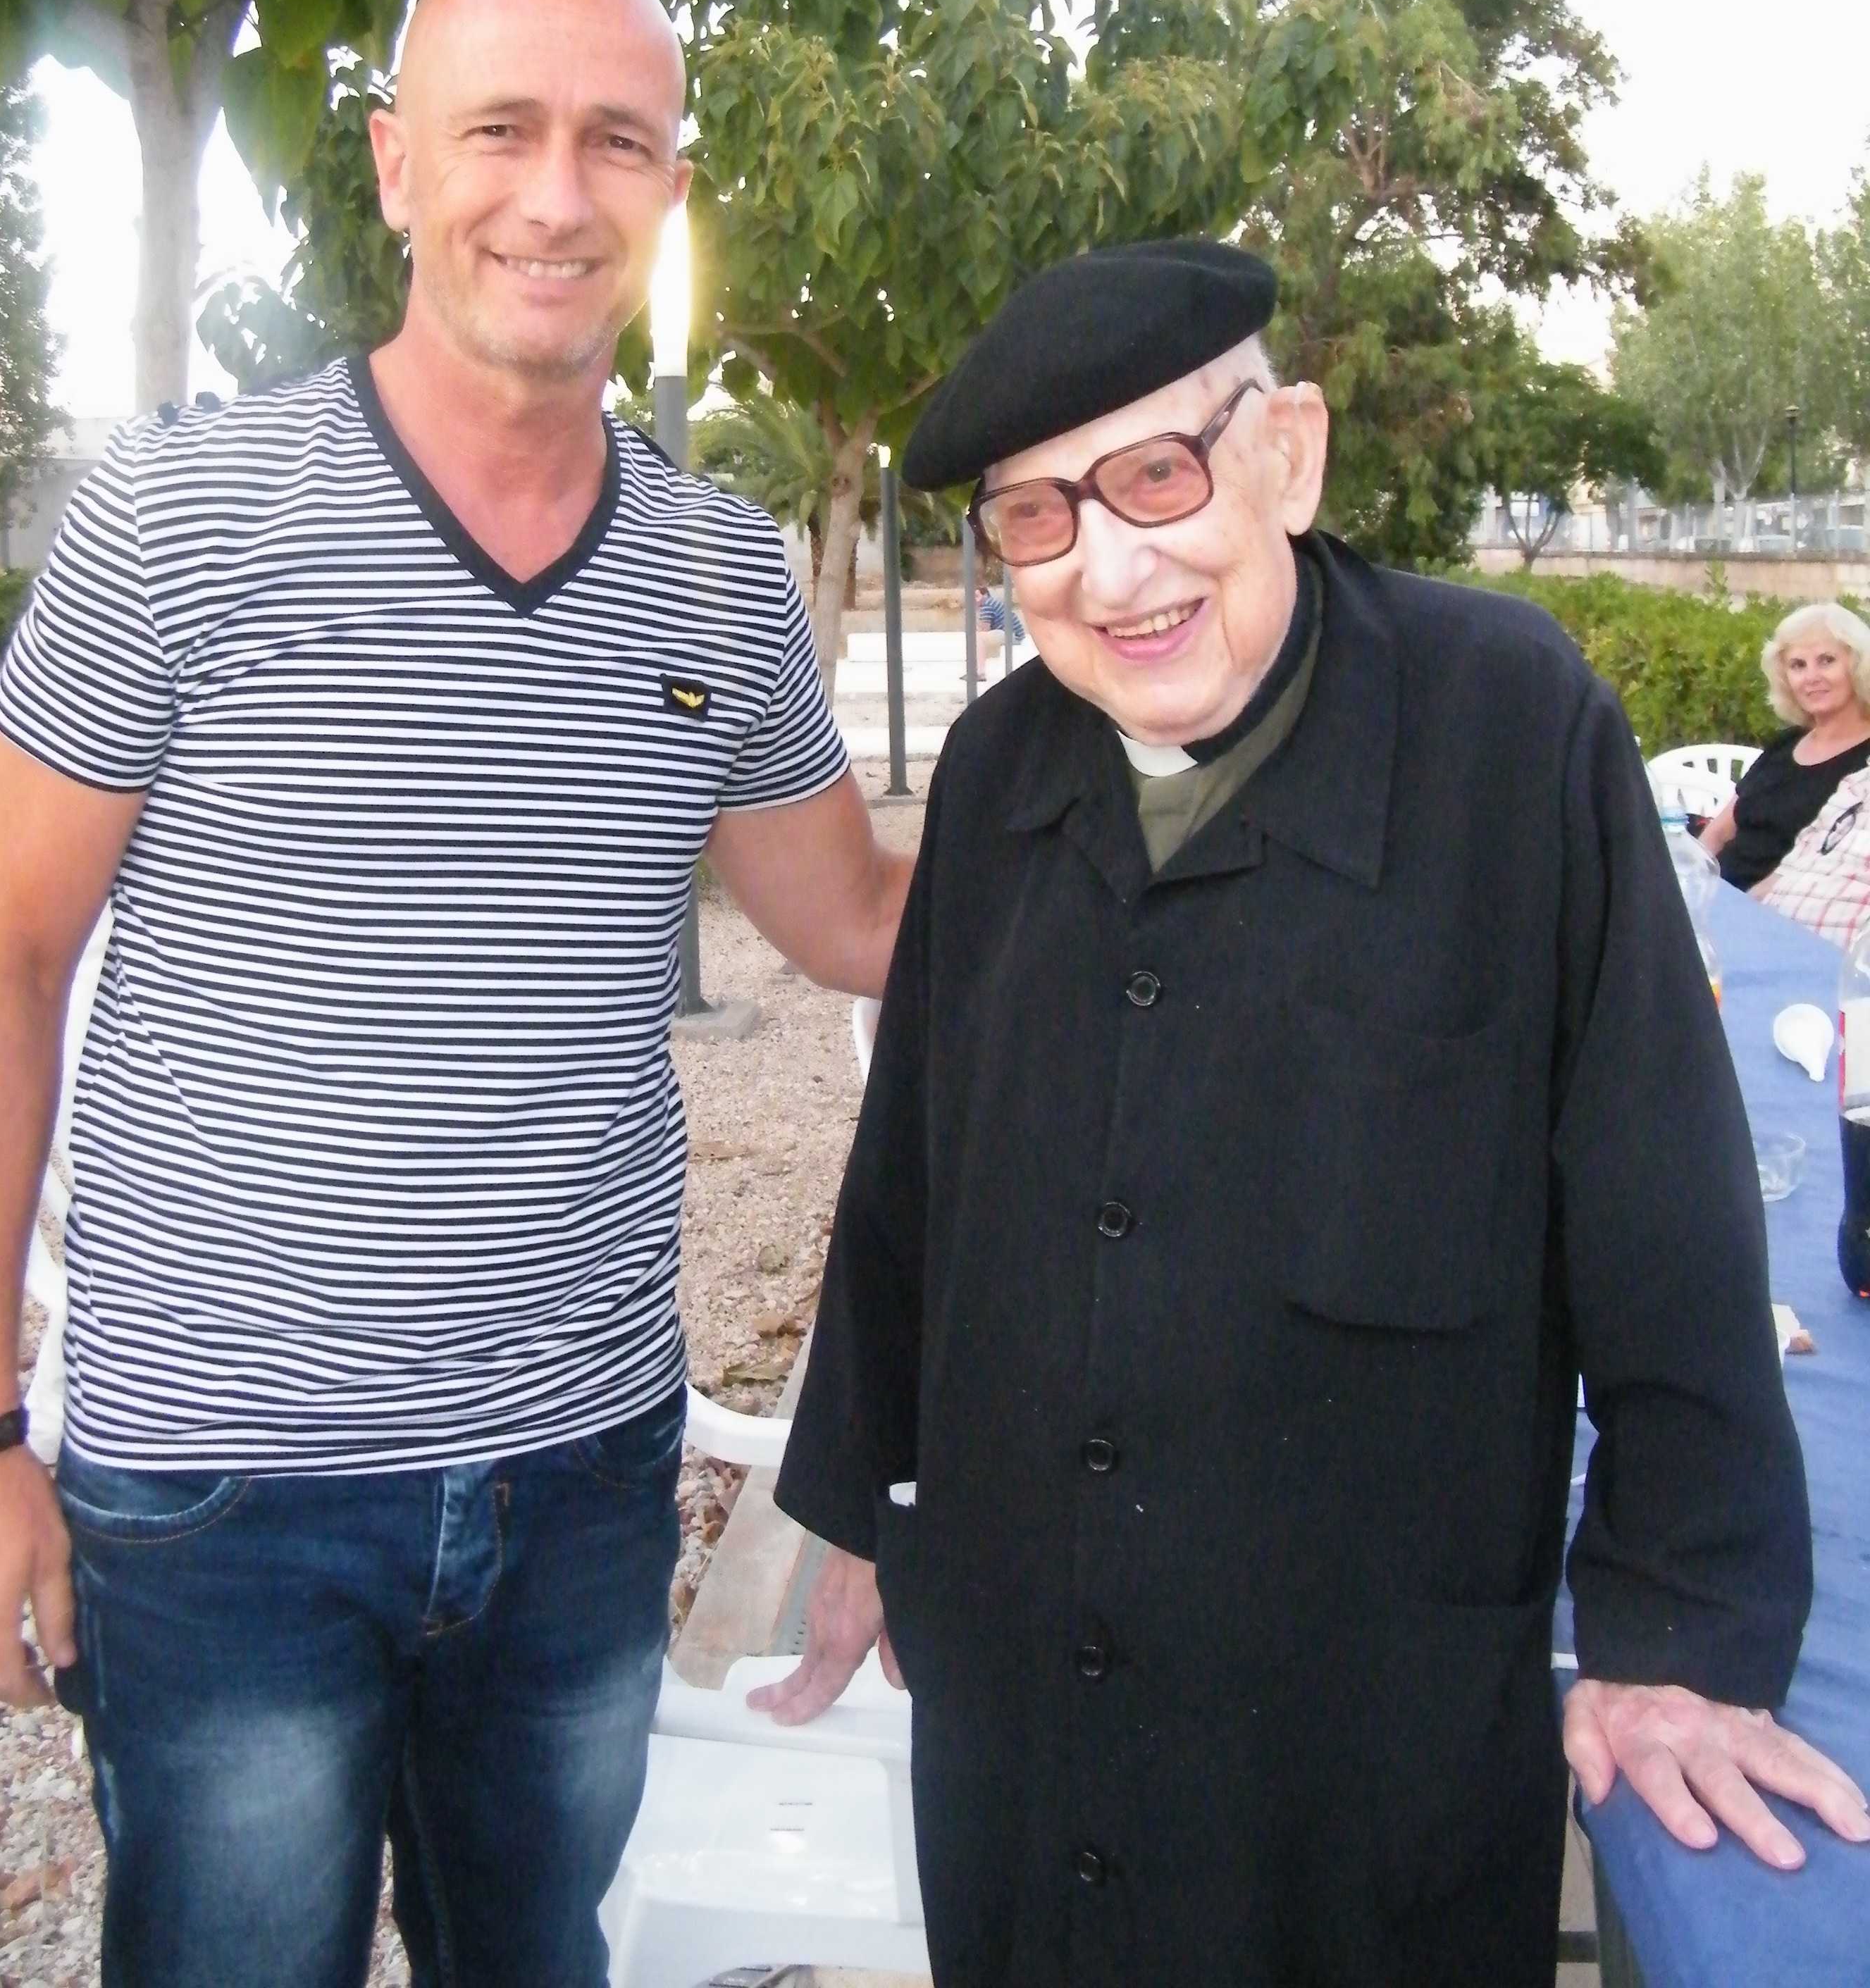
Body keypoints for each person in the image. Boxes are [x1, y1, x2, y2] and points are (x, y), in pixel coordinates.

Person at [0, 0, 913, 1988]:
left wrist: (1168, 797)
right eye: (499, 132)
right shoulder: (175, 521)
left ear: (669, 190)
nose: (555, 195)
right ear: (397, 166)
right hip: (226, 1494)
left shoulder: (719, 575)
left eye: (616, 143)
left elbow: (854, 919)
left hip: (580, 1475)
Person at [752, 239, 1870, 1988]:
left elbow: (1662, 1207)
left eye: (1154, 476)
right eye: (1035, 515)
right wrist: (863, 1509)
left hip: (1356, 1754)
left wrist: (1678, 1633)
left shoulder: (1512, 727)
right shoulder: (997, 765)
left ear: (1288, 453)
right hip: (1029, 1713)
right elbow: (911, 1174)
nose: (1108, 567)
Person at [1699, 601, 1870, 889]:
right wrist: (1687, 884)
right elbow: (1719, 832)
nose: (1811, 678)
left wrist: (1737, 905)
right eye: (1798, 665)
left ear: (1857, 667)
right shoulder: (1788, 743)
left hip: (1783, 906)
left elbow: (1823, 871)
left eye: (1827, 660)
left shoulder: (1865, 763)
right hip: (1716, 893)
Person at [1751, 764, 1870, 946]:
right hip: (1766, 930)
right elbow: (1784, 872)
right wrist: (1740, 911)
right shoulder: (1857, 783)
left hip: (1828, 953)